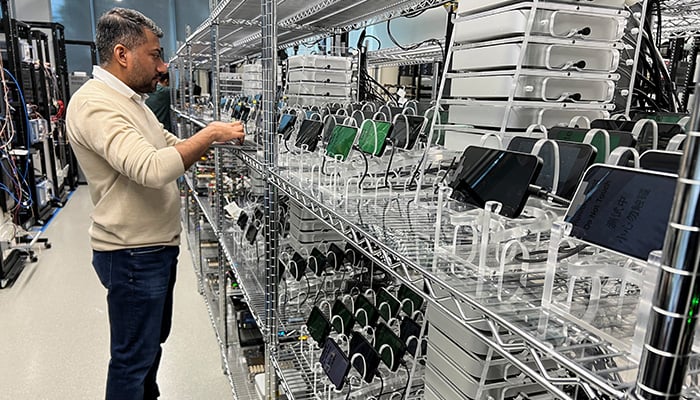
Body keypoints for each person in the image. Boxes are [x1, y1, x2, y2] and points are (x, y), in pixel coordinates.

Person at [65, 8, 244, 400]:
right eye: (155, 55)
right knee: (132, 360)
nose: (162, 66)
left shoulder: (132, 102)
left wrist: (212, 138)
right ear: (122, 54)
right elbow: (150, 168)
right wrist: (210, 135)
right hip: (131, 254)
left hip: (153, 249)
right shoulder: (95, 104)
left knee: (148, 350)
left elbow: (167, 144)